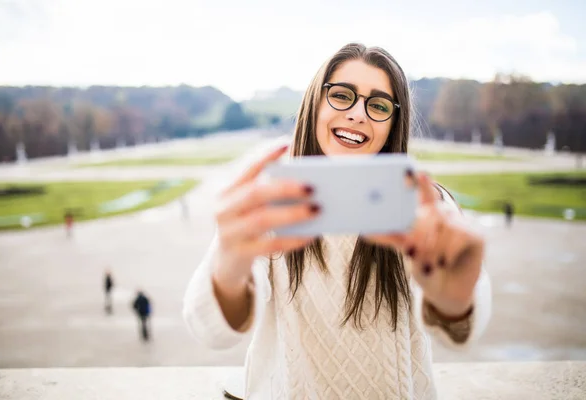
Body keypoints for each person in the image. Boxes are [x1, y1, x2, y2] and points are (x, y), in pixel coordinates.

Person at [182, 43, 492, 399]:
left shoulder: (424, 206)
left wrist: (454, 302)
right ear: (315, 105)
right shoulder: (274, 202)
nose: (358, 113)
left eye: (377, 105)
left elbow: (461, 322)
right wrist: (227, 267)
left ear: (393, 125)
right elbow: (211, 332)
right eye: (342, 95)